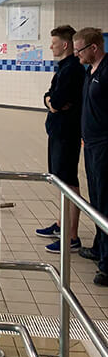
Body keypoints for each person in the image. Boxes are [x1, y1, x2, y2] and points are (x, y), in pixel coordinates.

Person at [36, 26, 86, 252]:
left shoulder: (72, 71)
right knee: (60, 180)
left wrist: (51, 102)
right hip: (58, 132)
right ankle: (60, 224)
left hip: (67, 134)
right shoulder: (64, 69)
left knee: (68, 183)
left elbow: (55, 102)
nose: (51, 46)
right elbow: (49, 97)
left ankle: (72, 236)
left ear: (65, 45)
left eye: (53, 43)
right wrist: (50, 101)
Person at [73, 28, 108, 285]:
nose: (77, 54)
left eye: (80, 50)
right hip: (91, 144)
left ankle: (107, 265)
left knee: (105, 200)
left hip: (105, 146)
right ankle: (99, 247)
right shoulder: (89, 71)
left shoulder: (107, 72)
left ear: (94, 48)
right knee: (95, 197)